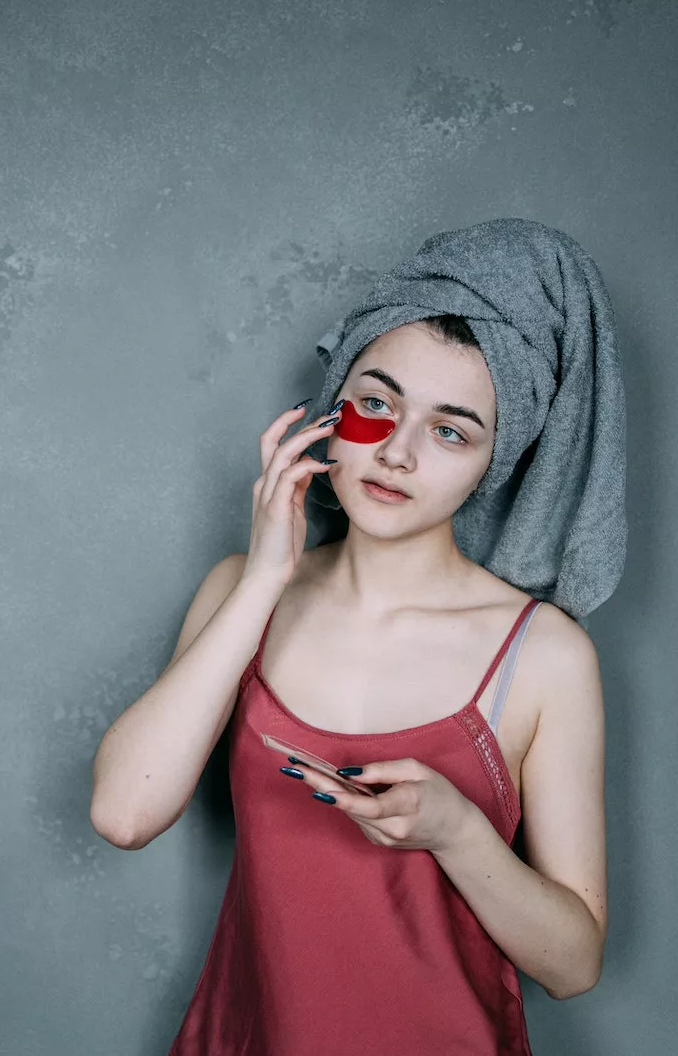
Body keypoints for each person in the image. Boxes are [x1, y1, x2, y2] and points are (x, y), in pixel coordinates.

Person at [90, 219, 624, 1055]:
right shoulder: (241, 591)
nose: (398, 454)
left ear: (500, 458)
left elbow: (574, 962)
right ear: (332, 407)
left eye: (451, 430)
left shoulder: (546, 654)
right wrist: (267, 575)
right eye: (376, 404)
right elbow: (124, 812)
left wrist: (457, 831)